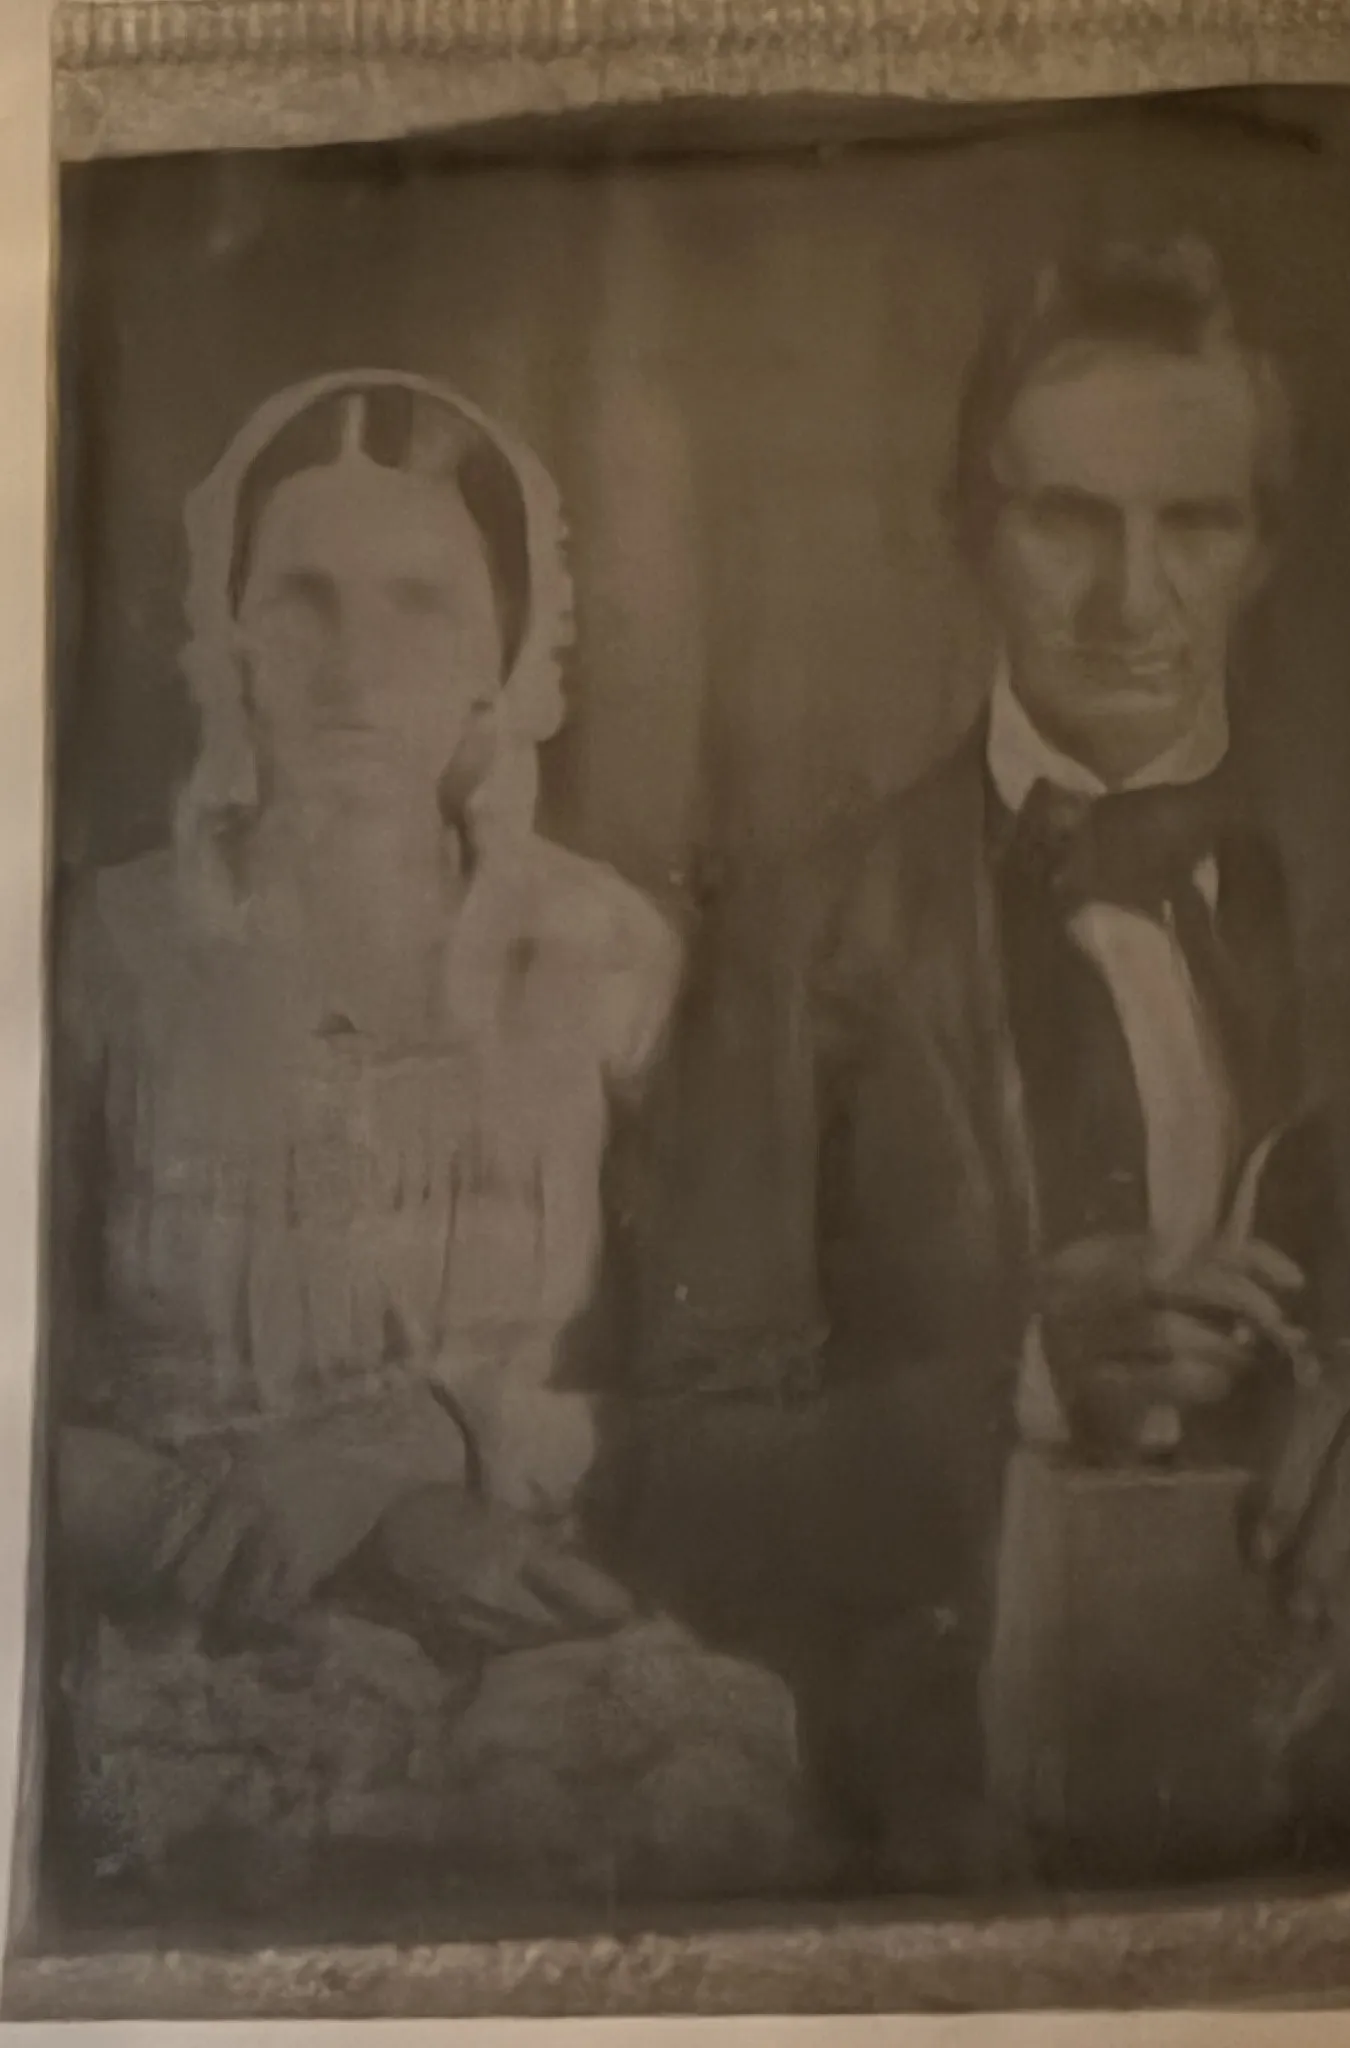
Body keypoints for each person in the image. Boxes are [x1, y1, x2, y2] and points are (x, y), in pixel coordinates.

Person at [616, 238, 1350, 1889]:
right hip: (963, 1828)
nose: (1132, 600)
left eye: (1195, 524)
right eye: (1068, 521)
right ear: (971, 531)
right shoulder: (800, 932)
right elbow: (669, 1475)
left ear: (1263, 549)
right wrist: (1017, 1385)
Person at [48, 371, 814, 1917]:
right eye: (302, 599)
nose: (354, 662)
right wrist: (254, 1523)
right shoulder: (99, 956)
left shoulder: (609, 956)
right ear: (228, 630)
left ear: (502, 652)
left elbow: (719, 1385)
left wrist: (430, 1453)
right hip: (178, 1652)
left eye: (420, 604)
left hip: (525, 1633)